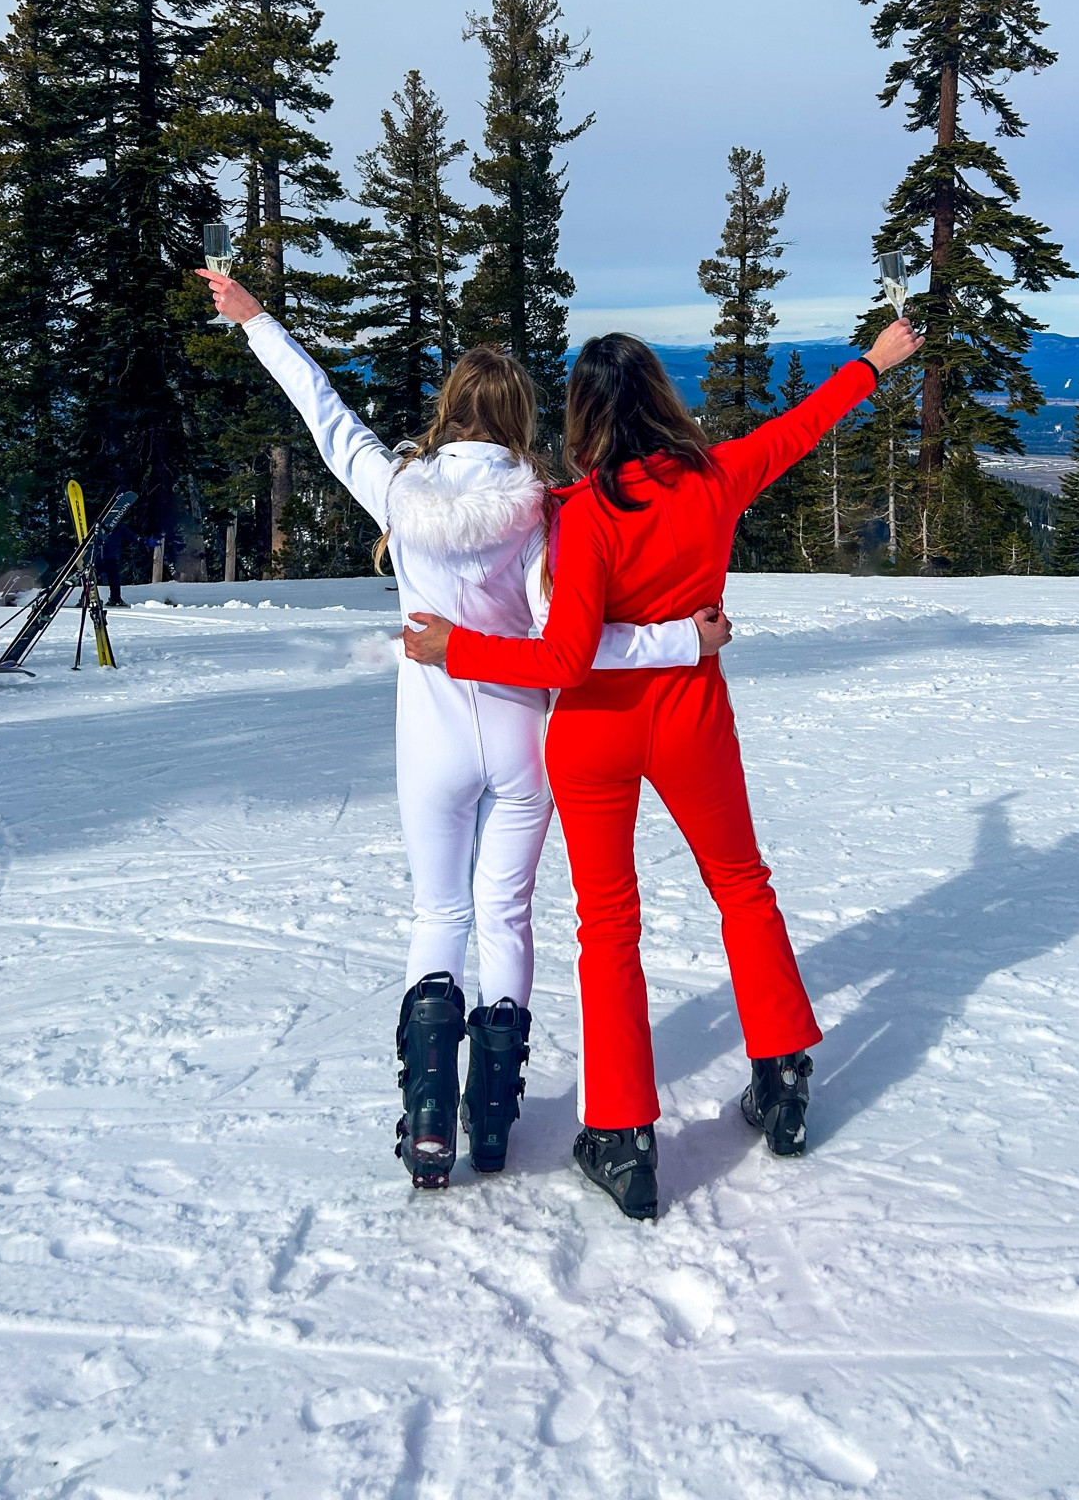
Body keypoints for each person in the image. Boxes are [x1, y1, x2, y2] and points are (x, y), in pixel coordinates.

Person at [197, 268, 724, 1189]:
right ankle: (493, 1121)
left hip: (431, 740)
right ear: (521, 417)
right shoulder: (545, 512)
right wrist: (686, 636)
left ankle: (431, 1119)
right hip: (523, 739)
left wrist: (254, 319)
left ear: (449, 410)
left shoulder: (399, 493)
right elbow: (586, 644)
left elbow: (322, 413)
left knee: (439, 914)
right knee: (507, 916)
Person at [403, 319, 922, 1218]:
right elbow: (802, 429)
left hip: (596, 737)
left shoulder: (584, 515)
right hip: (692, 719)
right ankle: (784, 1075)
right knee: (741, 886)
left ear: (585, 416)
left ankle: (622, 1135)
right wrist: (872, 365)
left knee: (609, 928)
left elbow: (564, 660)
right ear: (658, 397)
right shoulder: (717, 478)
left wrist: (459, 649)